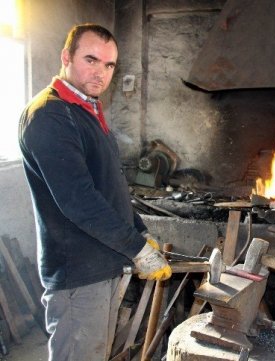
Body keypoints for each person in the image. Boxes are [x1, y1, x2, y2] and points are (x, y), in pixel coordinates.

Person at [18, 24, 172, 361]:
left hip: (103, 262)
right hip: (77, 273)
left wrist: (139, 229)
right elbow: (79, 201)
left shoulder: (87, 110)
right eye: (91, 60)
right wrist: (137, 249)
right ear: (66, 57)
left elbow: (107, 183)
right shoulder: (49, 116)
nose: (100, 73)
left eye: (109, 65)